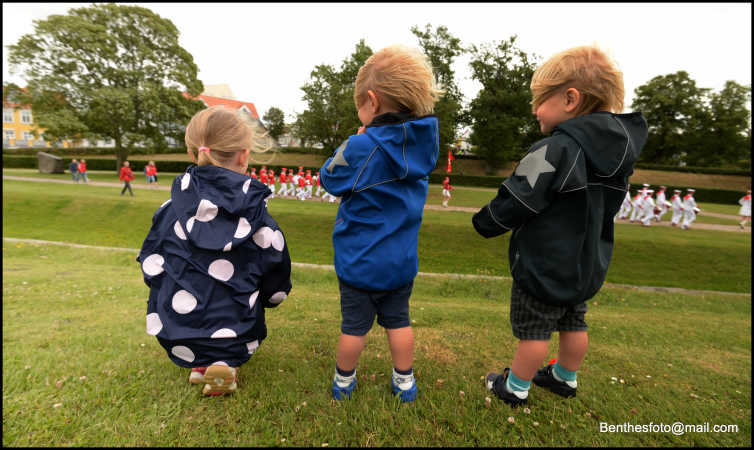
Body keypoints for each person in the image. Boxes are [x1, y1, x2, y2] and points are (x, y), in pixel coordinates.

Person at [472, 45, 647, 406]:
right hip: (587, 262)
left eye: (540, 100)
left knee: (534, 330)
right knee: (574, 322)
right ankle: (565, 377)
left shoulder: (555, 149)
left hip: (545, 263)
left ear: (570, 99)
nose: (535, 110)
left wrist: (485, 221)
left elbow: (520, 196)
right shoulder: (619, 156)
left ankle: (515, 387)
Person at [136, 105, 292, 397]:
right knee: (236, 300)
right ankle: (223, 365)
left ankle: (200, 364)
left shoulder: (169, 211)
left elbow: (150, 262)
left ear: (194, 152)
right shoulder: (256, 216)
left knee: (190, 293)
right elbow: (275, 263)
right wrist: (273, 295)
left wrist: (165, 292)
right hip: (236, 329)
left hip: (178, 326)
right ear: (244, 155)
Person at [318, 44, 442, 403]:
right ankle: (405, 382)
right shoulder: (424, 148)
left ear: (371, 102)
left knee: (354, 328)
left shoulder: (362, 146)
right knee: (399, 323)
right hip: (401, 263)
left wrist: (353, 142)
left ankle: (344, 382)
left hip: (360, 263)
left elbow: (329, 178)